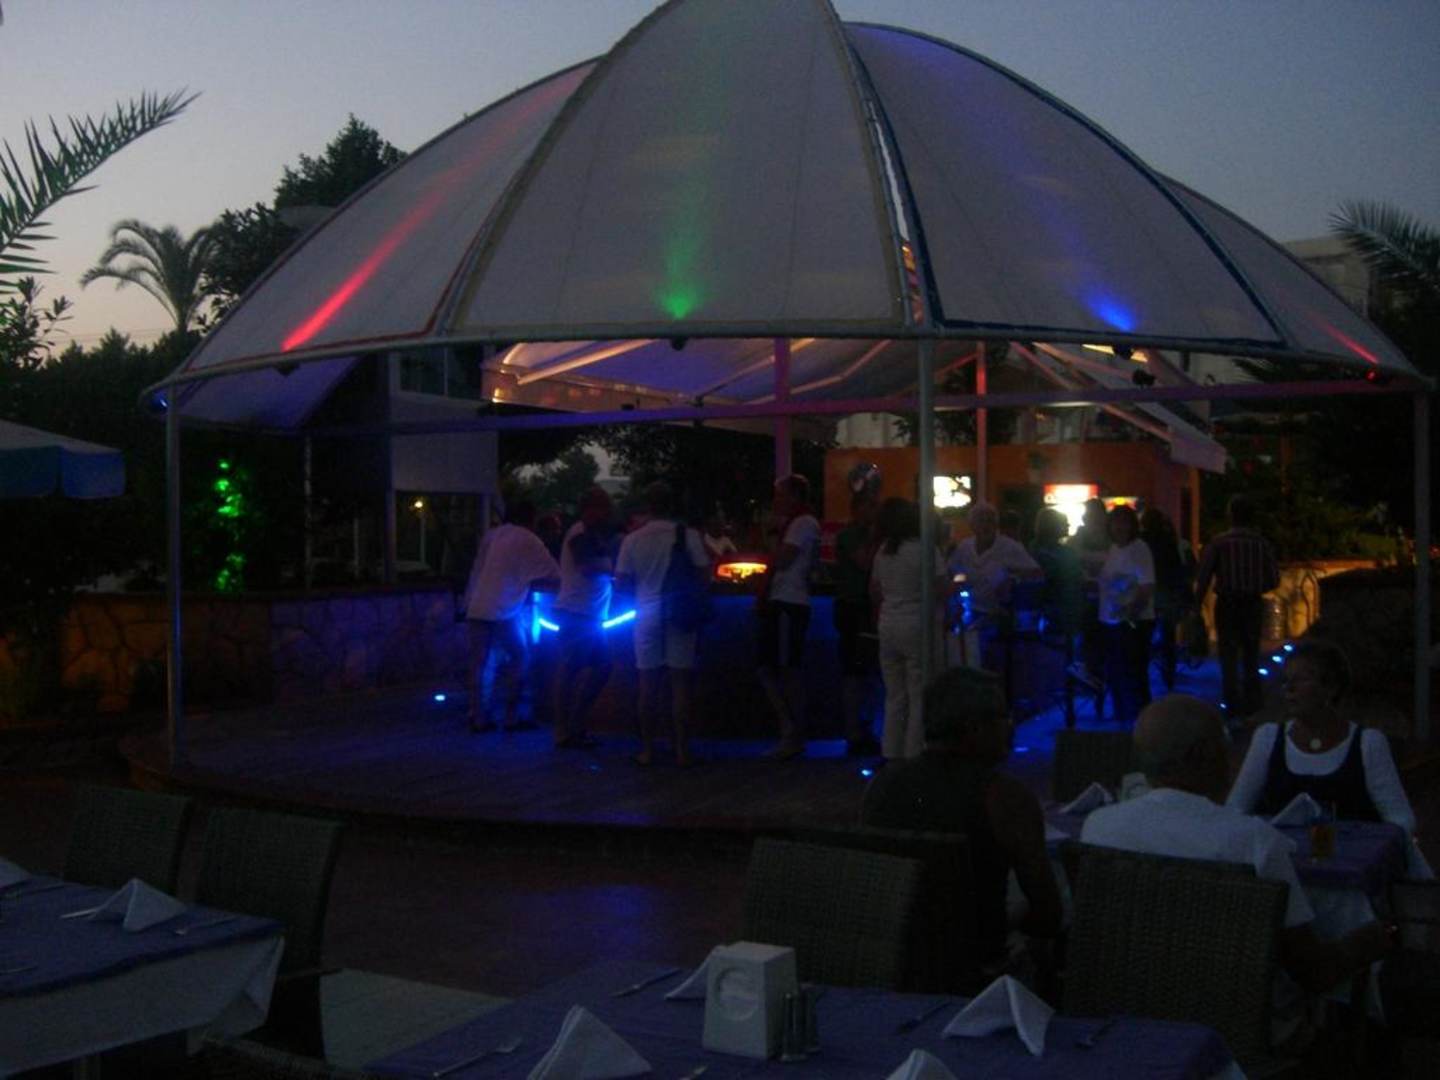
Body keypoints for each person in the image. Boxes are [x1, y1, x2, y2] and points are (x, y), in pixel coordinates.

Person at [1082, 694, 1394, 1052]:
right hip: (1239, 1032)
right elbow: (1313, 971)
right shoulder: (1253, 842)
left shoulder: (1098, 828)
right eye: (1226, 744)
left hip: (1128, 1023)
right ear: (1203, 754)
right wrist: (1377, 937)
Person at [862, 667, 1064, 969]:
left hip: (890, 961)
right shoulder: (1004, 796)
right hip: (977, 967)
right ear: (975, 728)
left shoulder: (881, 785)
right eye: (1004, 717)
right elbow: (1048, 914)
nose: (1012, 727)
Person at [1226, 638, 1431, 876]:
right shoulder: (1268, 739)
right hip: (1283, 873)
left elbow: (1401, 819)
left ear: (1330, 688)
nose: (1289, 688)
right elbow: (1235, 810)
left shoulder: (1367, 744)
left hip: (1349, 874)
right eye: (1286, 680)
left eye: (1301, 679)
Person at [614, 481, 710, 767]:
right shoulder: (688, 535)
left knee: (647, 683)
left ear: (649, 505)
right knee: (680, 683)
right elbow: (705, 575)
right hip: (679, 612)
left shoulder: (633, 539)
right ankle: (682, 750)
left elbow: (622, 582)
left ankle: (647, 749)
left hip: (646, 613)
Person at [461, 500, 559, 733]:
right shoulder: (529, 539)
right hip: (504, 609)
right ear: (531, 519)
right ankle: (511, 716)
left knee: (480, 663)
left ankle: (477, 716)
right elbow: (555, 576)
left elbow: (478, 569)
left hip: (477, 606)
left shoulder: (492, 535)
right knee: (520, 658)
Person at [869, 498, 948, 760]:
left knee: (894, 695)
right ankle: (914, 754)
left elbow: (874, 591)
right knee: (918, 693)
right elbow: (941, 588)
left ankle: (891, 752)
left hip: (888, 625)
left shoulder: (884, 550)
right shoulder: (925, 549)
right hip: (918, 624)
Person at [1195, 495, 1279, 718]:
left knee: (1228, 656)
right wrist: (1255, 585)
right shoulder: (1261, 544)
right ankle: (1253, 704)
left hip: (1228, 603)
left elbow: (1204, 577)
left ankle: (1232, 705)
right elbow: (1274, 579)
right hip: (1252, 603)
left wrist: (1196, 604)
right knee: (1251, 654)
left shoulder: (1219, 543)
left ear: (1230, 515)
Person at [757, 474, 822, 760]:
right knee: (778, 667)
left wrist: (770, 536)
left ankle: (792, 731)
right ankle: (793, 729)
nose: (776, 501)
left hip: (788, 602)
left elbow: (783, 560)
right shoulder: (802, 523)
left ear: (794, 496)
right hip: (787, 601)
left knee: (784, 668)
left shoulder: (801, 524)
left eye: (780, 494)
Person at [549, 487, 619, 750]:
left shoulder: (586, 534)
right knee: (573, 670)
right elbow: (588, 566)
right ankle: (566, 731)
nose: (606, 515)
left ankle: (573, 727)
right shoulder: (579, 533)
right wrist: (611, 565)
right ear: (590, 509)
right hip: (578, 614)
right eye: (603, 509)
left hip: (586, 615)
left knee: (597, 668)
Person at [947, 502, 1041, 669]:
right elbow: (955, 571)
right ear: (972, 525)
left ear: (996, 524)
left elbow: (1035, 572)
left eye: (989, 521)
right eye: (980, 521)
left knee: (995, 661)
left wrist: (1012, 579)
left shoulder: (1009, 546)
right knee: (971, 657)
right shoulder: (965, 547)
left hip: (998, 615)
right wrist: (960, 583)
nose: (985, 525)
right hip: (970, 612)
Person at [833, 491, 881, 756]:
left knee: (866, 672)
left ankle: (863, 728)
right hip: (853, 607)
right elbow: (864, 563)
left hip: (863, 607)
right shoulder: (850, 536)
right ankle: (854, 731)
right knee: (855, 671)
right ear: (857, 509)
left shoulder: (860, 536)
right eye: (870, 507)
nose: (874, 512)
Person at [1098, 504, 1154, 725]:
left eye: (1124, 522)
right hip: (1112, 619)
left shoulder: (1139, 549)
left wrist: (1131, 612)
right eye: (1115, 522)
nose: (1119, 527)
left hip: (1132, 621)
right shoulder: (1113, 549)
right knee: (1117, 671)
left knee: (1134, 672)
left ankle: (1142, 720)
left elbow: (1147, 586)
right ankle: (1123, 716)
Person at [1140, 507, 1190, 691]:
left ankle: (1142, 674)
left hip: (1146, 593)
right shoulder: (1169, 541)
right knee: (1168, 637)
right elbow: (1176, 569)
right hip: (1167, 593)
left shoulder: (1141, 541)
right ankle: (1169, 674)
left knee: (1144, 636)